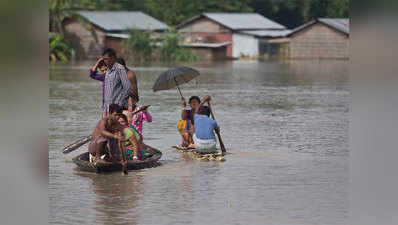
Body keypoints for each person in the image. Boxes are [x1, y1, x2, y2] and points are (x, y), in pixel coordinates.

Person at [102, 48, 133, 116]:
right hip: (107, 109)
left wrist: (118, 104)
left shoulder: (120, 68)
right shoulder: (107, 71)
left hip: (117, 109)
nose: (104, 61)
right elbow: (107, 91)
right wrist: (105, 109)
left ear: (113, 58)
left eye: (106, 59)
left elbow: (128, 88)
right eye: (103, 59)